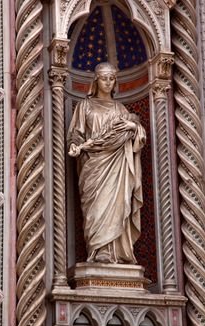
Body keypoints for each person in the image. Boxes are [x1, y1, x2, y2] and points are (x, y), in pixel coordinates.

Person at [67, 62, 146, 264]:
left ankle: (117, 252)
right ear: (96, 80)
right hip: (94, 166)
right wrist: (75, 145)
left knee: (117, 206)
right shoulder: (85, 106)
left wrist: (133, 127)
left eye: (112, 78)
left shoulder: (121, 109)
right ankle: (98, 249)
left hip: (117, 165)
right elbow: (76, 133)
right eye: (104, 78)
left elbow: (136, 136)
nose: (108, 82)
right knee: (96, 209)